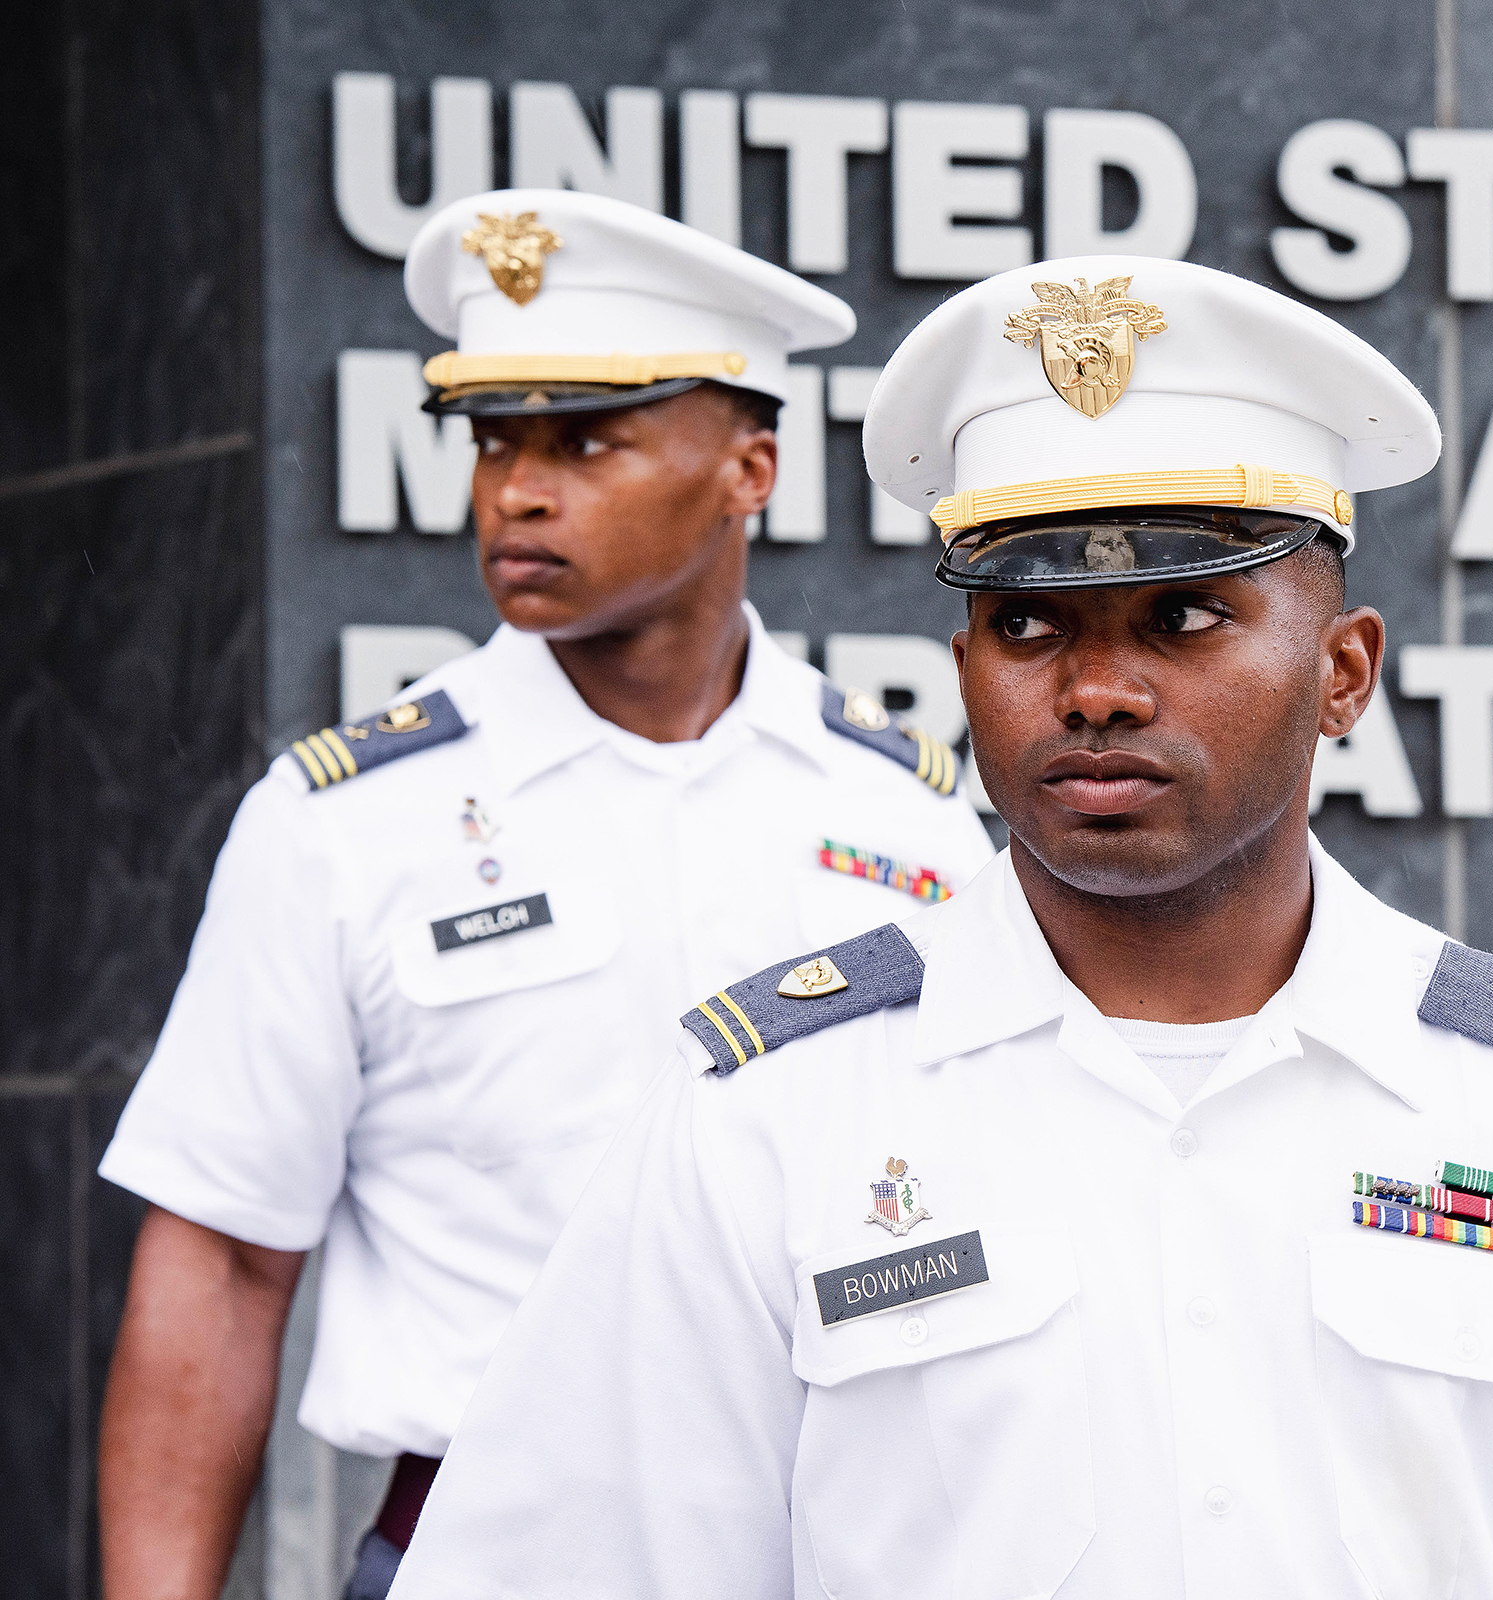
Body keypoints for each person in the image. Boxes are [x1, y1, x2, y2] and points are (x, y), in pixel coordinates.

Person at [387, 255, 1493, 1600]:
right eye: (1029, 622)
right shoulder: (770, 1113)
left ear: (1345, 673)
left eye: (1185, 616)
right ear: (965, 661)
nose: (1096, 687)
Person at [95, 189, 994, 1600]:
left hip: (849, 1545)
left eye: (585, 440)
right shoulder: (350, 821)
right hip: (483, 1554)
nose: (516, 488)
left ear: (749, 467)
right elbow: (220, 1258)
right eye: (493, 440)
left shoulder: (902, 812)